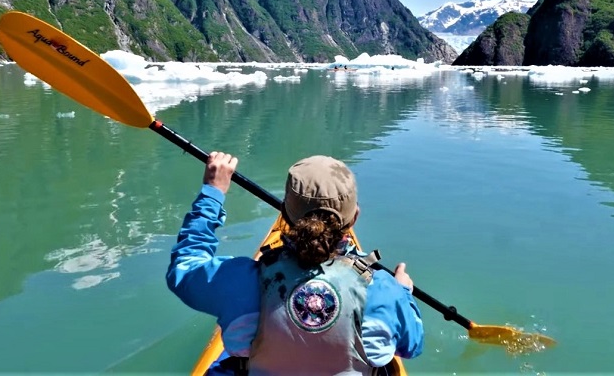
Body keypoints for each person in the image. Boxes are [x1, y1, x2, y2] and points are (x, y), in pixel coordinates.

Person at [167, 152, 424, 375]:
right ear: (354, 217)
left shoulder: (241, 280)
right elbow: (412, 346)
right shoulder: (384, 290)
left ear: (285, 215)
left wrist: (213, 193)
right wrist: (402, 293)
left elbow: (185, 265)